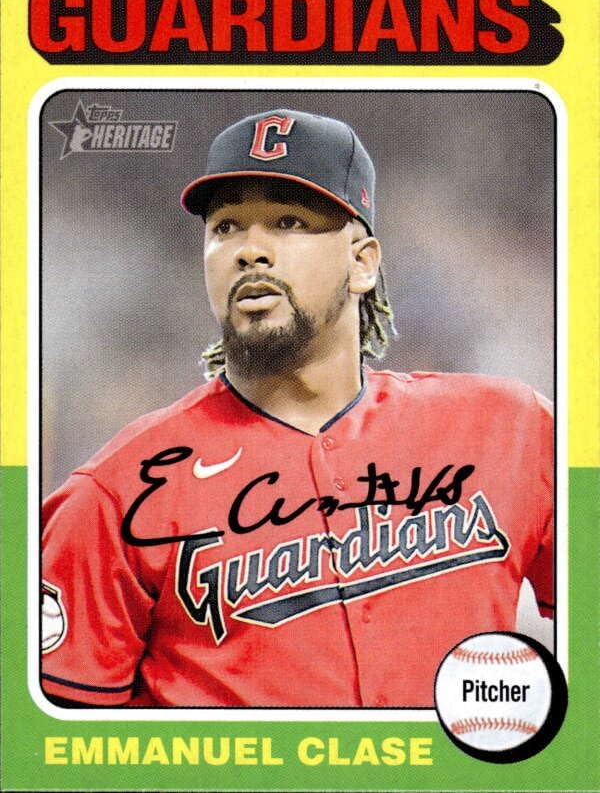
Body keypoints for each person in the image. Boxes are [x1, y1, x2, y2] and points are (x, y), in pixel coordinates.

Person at [41, 109, 554, 708]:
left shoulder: (511, 430)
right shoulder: (115, 491)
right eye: (226, 227)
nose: (250, 251)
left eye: (288, 222)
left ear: (362, 262)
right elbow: (56, 738)